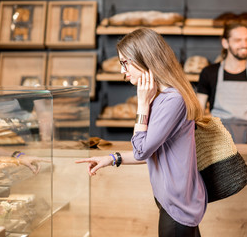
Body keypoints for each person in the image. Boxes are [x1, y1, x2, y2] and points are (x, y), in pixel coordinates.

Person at [76, 28, 207, 237]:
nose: (122, 71)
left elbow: (141, 151)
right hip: (175, 204)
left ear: (145, 59)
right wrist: (111, 158)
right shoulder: (164, 97)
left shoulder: (172, 100)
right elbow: (152, 152)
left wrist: (142, 104)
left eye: (125, 63)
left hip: (177, 208)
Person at [196, 23, 247, 144]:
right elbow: (199, 109)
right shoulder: (209, 72)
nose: (244, 44)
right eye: (238, 40)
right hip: (218, 139)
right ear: (225, 43)